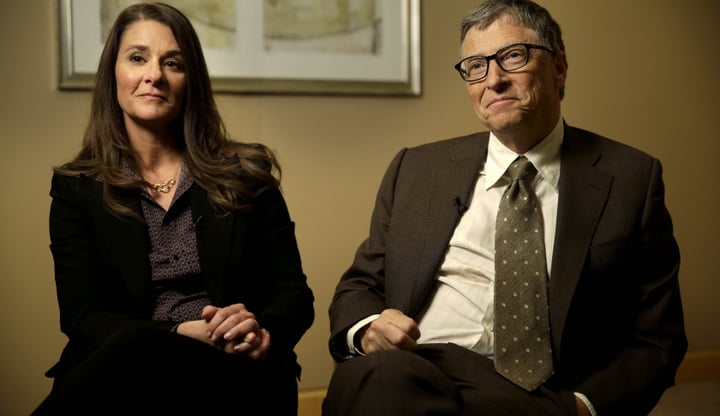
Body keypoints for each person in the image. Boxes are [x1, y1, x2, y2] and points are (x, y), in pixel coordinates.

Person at [323, 1, 686, 415]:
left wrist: (585, 406)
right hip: (419, 361)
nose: (492, 80)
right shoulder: (416, 168)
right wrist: (369, 331)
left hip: (542, 396)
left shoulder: (630, 178)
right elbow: (360, 284)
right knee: (381, 376)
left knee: (379, 388)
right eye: (475, 65)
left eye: (513, 56)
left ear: (559, 68)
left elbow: (657, 337)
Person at [33, 3, 314, 415]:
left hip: (233, 368)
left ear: (190, 79)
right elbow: (83, 318)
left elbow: (294, 296)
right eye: (137, 58)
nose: (154, 76)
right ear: (114, 72)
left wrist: (258, 330)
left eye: (173, 63)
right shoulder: (77, 187)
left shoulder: (247, 173)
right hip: (121, 371)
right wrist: (179, 331)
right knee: (137, 347)